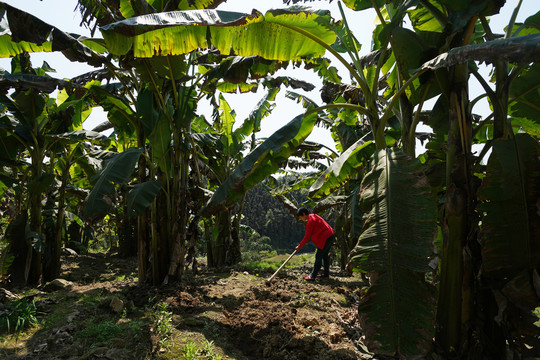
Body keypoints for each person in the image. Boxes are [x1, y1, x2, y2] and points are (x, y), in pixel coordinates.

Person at [295, 207, 335, 281]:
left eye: (301, 217)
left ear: (304, 214)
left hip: (326, 238)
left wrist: (299, 246)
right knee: (325, 255)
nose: (301, 219)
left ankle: (312, 276)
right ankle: (326, 275)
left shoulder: (310, 222)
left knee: (318, 256)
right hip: (331, 235)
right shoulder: (314, 215)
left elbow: (307, 237)